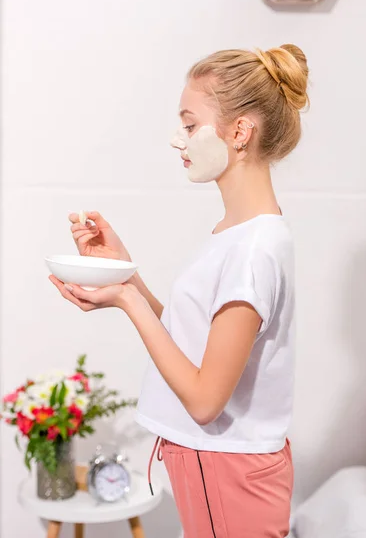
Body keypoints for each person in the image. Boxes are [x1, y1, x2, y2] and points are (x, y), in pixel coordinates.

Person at [50, 44, 309, 537]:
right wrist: (126, 278)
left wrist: (127, 301)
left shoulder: (253, 249)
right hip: (217, 468)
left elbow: (205, 399)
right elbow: (200, 345)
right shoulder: (239, 234)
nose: (178, 140)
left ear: (239, 131)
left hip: (227, 473)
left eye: (190, 124)